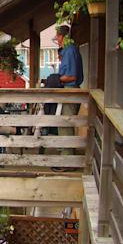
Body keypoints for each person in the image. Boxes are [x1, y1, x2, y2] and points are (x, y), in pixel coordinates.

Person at [53, 25, 84, 171]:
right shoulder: (69, 51)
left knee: (65, 124)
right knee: (65, 124)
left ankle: (68, 162)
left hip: (70, 90)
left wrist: (57, 79)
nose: (57, 40)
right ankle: (68, 158)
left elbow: (72, 76)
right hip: (69, 90)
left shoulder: (70, 50)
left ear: (62, 36)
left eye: (57, 37)